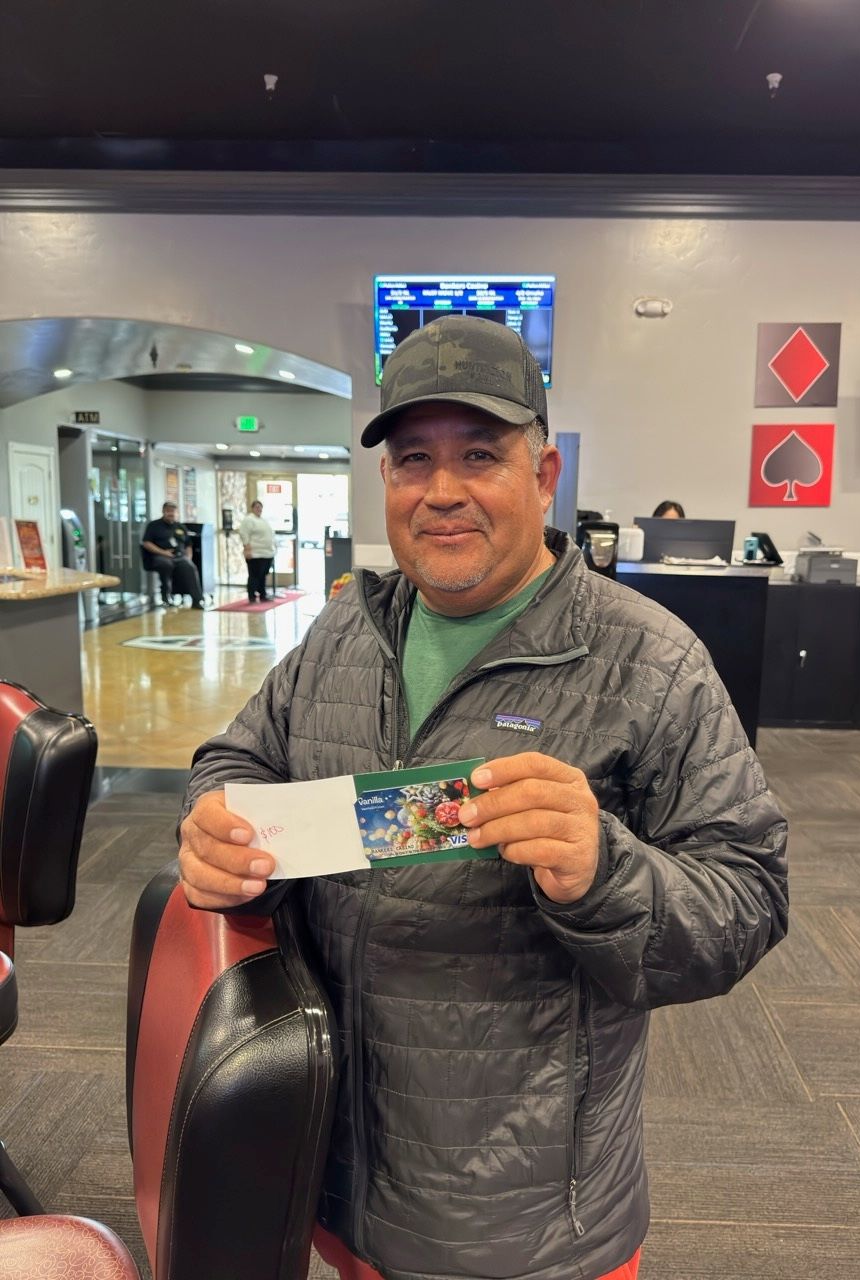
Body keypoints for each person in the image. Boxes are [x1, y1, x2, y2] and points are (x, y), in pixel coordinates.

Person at [178, 315, 788, 1280]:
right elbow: (238, 755)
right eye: (413, 459)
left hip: (527, 1220)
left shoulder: (651, 661)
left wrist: (605, 871)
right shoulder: (346, 630)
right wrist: (219, 822)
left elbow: (748, 897)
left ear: (543, 477)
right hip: (334, 1167)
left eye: (480, 455)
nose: (442, 491)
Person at [140, 502, 204, 609]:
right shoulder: (154, 525)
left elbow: (188, 545)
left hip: (179, 556)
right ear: (163, 511)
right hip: (160, 555)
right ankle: (166, 597)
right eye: (168, 511)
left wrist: (188, 558)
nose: (171, 514)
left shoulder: (180, 527)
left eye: (173, 512)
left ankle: (197, 600)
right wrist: (163, 552)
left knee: (190, 567)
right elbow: (146, 543)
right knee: (166, 565)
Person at [237, 499, 276, 603]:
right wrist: (247, 548)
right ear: (252, 508)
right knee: (254, 576)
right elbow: (244, 534)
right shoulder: (249, 520)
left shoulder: (263, 520)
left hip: (267, 553)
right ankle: (252, 595)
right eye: (257, 507)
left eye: (260, 507)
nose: (259, 509)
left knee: (262, 576)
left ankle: (262, 594)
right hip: (255, 553)